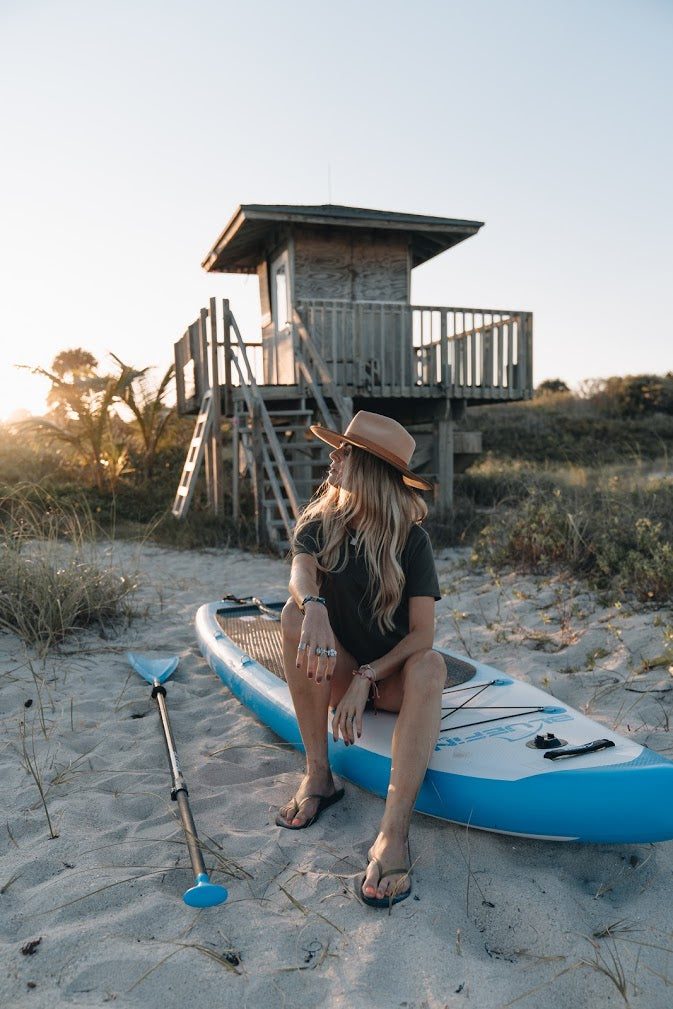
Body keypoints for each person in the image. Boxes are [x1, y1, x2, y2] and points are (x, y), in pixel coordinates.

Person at [276, 410, 448, 909]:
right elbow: (300, 574)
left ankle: (392, 835)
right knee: (291, 614)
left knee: (432, 664)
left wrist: (368, 677)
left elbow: (423, 635)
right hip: (340, 667)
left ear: (369, 467)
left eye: (344, 452)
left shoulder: (411, 540)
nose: (333, 457)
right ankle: (318, 775)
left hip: (388, 679)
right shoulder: (320, 521)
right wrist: (313, 607)